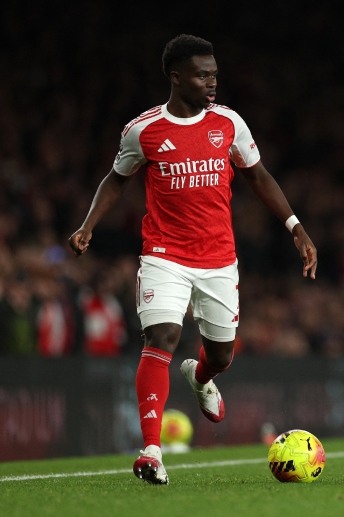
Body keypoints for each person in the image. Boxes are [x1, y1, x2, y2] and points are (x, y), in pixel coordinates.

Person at [68, 34, 317, 485]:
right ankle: (151, 451)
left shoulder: (229, 123)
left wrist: (295, 227)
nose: (212, 82)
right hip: (164, 254)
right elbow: (116, 179)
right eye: (203, 75)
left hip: (219, 259)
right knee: (161, 336)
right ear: (177, 77)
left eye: (215, 75)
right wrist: (88, 226)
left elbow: (258, 176)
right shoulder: (143, 130)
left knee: (221, 355)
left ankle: (201, 377)